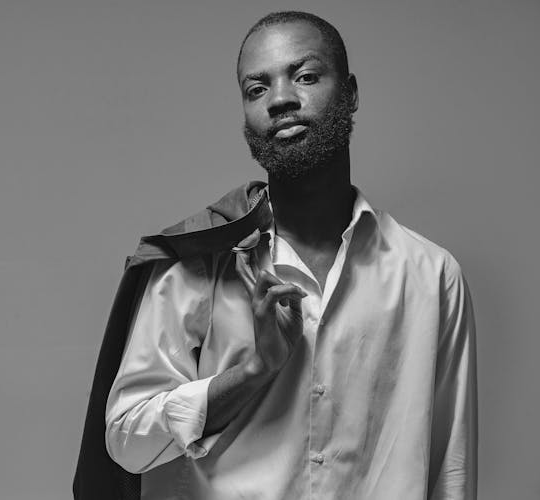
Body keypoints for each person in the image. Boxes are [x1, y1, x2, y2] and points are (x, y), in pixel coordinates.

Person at [74, 11, 477, 500]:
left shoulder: (432, 276)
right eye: (256, 88)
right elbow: (125, 442)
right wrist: (252, 372)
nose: (281, 98)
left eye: (305, 76)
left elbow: (449, 472)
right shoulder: (199, 263)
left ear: (350, 93)